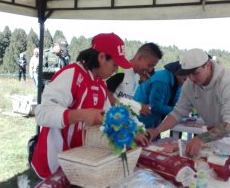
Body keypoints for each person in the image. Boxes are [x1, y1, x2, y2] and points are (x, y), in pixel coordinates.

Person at [31, 33, 145, 179]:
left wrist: (130, 133)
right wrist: (83, 114)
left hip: (79, 162)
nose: (116, 70)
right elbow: (42, 113)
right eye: (114, 65)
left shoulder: (100, 83)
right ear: (101, 57)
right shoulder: (72, 74)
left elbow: (107, 115)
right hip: (54, 161)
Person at [147, 48, 230, 186]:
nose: (191, 79)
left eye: (195, 73)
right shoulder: (190, 84)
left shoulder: (229, 82)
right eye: (187, 75)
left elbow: (229, 125)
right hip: (223, 134)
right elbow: (177, 112)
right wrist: (156, 131)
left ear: (208, 65)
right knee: (220, 174)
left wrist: (200, 139)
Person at [106, 42, 163, 115]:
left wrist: (137, 108)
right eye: (149, 65)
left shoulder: (136, 76)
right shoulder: (120, 70)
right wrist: (134, 106)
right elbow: (106, 97)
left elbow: (125, 99)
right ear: (140, 58)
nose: (150, 70)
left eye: (153, 66)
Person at [133, 61, 187, 132]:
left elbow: (176, 103)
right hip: (140, 120)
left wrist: (183, 108)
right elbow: (155, 106)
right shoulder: (161, 81)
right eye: (186, 75)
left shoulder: (179, 82)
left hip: (155, 121)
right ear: (177, 73)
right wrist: (179, 111)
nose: (189, 78)